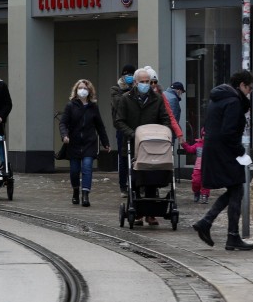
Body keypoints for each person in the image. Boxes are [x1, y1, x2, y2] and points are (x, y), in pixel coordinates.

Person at [192, 70, 253, 252]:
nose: (250, 92)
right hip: (224, 151)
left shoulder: (219, 98)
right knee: (237, 189)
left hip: (215, 149)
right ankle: (231, 236)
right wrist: (241, 151)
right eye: (249, 88)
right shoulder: (233, 101)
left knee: (234, 189)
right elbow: (229, 131)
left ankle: (208, 223)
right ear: (242, 85)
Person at [115, 66, 171, 226]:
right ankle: (138, 211)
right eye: (142, 82)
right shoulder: (126, 99)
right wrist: (133, 134)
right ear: (135, 83)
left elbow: (165, 119)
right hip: (133, 143)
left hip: (154, 144)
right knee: (136, 178)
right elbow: (119, 121)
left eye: (148, 81)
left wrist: (161, 133)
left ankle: (151, 213)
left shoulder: (157, 99)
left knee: (152, 176)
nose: (146, 84)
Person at [59, 79, 111, 207]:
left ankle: (85, 194)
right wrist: (64, 135)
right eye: (80, 88)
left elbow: (100, 126)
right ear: (76, 91)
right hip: (74, 143)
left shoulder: (93, 107)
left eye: (85, 88)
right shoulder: (70, 106)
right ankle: (76, 191)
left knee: (87, 167)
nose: (83, 90)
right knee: (74, 170)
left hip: (89, 143)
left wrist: (106, 142)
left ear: (90, 91)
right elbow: (63, 123)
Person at [110, 65, 136, 194]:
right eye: (127, 75)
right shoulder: (116, 89)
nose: (129, 77)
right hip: (121, 128)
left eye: (132, 74)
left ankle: (136, 185)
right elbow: (119, 104)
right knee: (123, 157)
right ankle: (123, 186)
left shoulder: (136, 88)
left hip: (135, 128)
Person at [184, 127, 211, 204]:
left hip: (207, 167)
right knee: (196, 181)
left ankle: (204, 196)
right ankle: (196, 192)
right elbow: (190, 149)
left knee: (205, 182)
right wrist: (183, 143)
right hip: (198, 167)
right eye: (203, 136)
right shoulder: (197, 144)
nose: (205, 138)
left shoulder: (212, 144)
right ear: (201, 135)